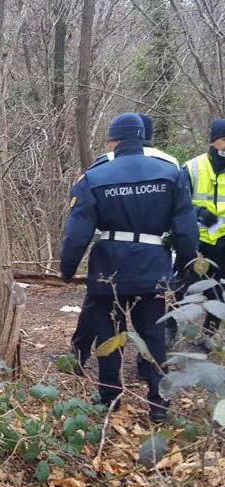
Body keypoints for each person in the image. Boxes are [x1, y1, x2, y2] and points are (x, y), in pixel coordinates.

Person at [60, 113, 197, 423]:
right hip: (153, 267)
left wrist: (67, 268)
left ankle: (110, 398)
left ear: (113, 141)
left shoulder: (95, 176)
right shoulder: (170, 173)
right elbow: (186, 230)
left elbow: (77, 232)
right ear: (142, 138)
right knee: (154, 336)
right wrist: (187, 266)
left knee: (108, 333)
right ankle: (158, 404)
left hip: (109, 269)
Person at [69, 114, 178, 370]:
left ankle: (81, 358)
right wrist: (182, 257)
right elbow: (181, 215)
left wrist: (69, 264)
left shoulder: (103, 165)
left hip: (110, 258)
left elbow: (81, 219)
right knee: (152, 324)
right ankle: (153, 381)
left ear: (115, 139)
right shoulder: (170, 165)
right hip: (153, 257)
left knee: (102, 317)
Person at [181, 119, 225, 333]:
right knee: (183, 289)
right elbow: (178, 202)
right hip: (195, 241)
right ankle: (171, 334)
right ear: (213, 141)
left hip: (223, 243)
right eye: (224, 140)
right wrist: (199, 214)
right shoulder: (192, 167)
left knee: (220, 294)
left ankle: (209, 338)